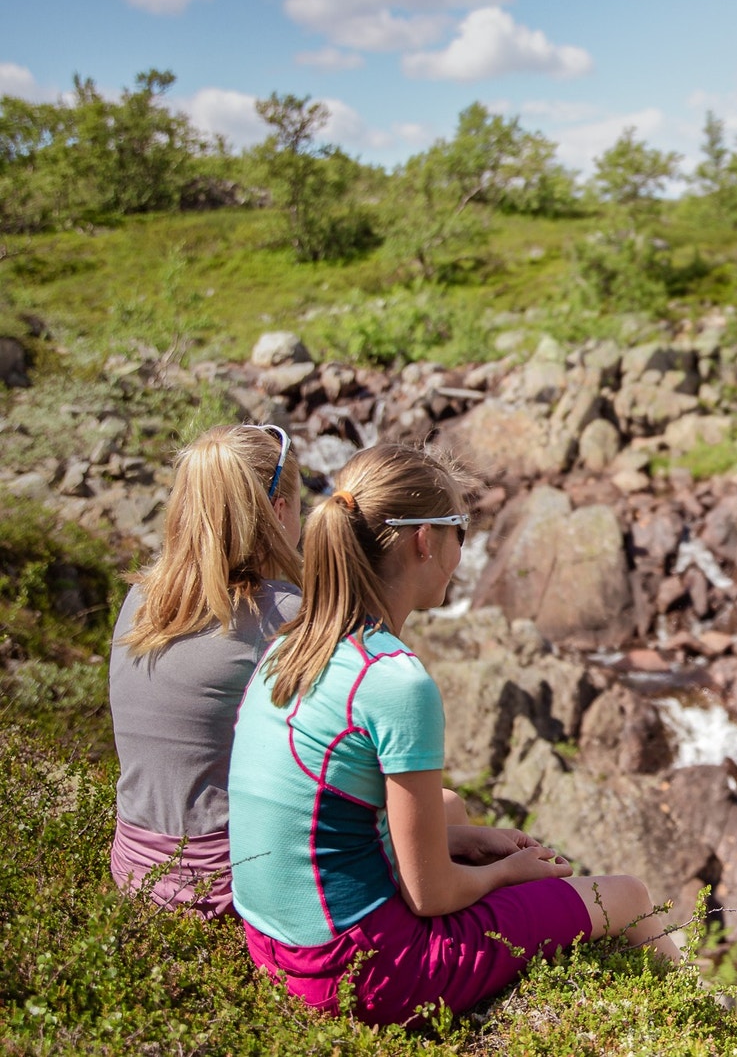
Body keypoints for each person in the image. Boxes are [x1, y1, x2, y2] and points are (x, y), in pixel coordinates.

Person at [228, 443, 678, 1026]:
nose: (462, 552)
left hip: (275, 950)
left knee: (455, 813)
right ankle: (719, 1027)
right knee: (630, 896)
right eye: (459, 532)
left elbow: (329, 815)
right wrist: (506, 873)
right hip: (361, 975)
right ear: (424, 540)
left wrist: (469, 841)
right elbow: (430, 897)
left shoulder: (291, 646)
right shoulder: (393, 680)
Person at [109, 423, 304, 918]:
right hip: (225, 888)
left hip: (133, 869)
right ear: (279, 512)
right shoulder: (282, 614)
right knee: (446, 811)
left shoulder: (142, 598)